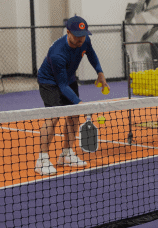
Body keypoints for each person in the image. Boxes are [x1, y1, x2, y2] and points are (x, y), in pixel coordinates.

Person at [34, 15, 109, 175]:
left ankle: (66, 154)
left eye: (83, 35)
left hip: (69, 78)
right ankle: (42, 160)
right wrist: (79, 102)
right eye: (76, 35)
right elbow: (61, 85)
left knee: (73, 115)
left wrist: (100, 72)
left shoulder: (84, 40)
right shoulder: (57, 53)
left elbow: (91, 54)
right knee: (53, 116)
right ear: (68, 32)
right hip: (50, 82)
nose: (80, 39)